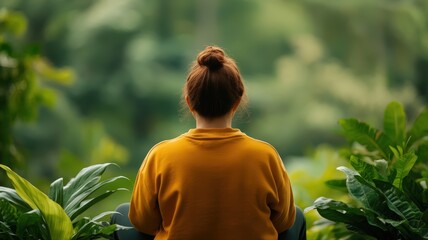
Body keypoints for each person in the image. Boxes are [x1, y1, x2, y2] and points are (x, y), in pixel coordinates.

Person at [111, 46, 306, 240]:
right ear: (236, 102)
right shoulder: (266, 156)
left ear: (189, 102)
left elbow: (142, 221)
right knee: (296, 215)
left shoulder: (160, 156)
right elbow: (284, 222)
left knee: (122, 213)